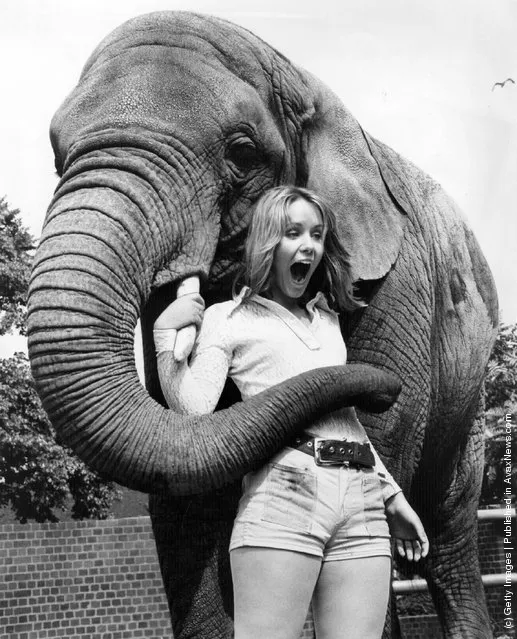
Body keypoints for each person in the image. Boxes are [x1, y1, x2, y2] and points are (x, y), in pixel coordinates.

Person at [153, 186, 429, 639]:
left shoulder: (329, 321)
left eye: (317, 235)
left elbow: (345, 419)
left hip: (361, 500)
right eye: (293, 232)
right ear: (267, 241)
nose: (309, 245)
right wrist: (167, 333)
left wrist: (392, 497)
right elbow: (194, 407)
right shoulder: (229, 318)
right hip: (285, 494)